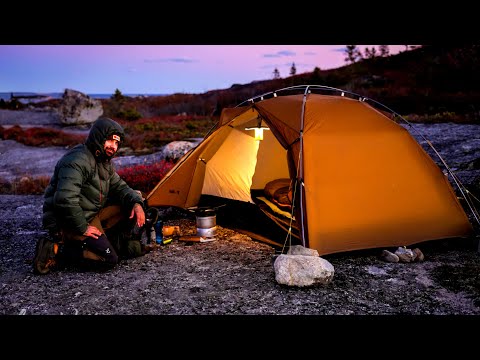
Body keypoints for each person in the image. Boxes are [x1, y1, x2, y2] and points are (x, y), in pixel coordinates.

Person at [33, 117, 148, 274]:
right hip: (66, 220)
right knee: (109, 260)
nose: (113, 147)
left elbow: (120, 187)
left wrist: (136, 203)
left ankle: (114, 242)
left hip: (90, 214)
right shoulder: (77, 160)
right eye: (110, 141)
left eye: (117, 143)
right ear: (98, 137)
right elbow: (65, 199)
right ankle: (55, 249)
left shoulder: (103, 163)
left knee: (133, 201)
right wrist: (83, 227)